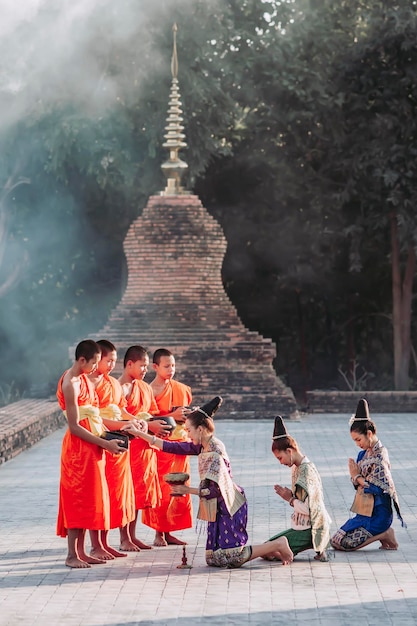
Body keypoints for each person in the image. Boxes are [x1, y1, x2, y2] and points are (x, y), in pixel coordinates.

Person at [123, 396, 293, 568]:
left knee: (233, 557)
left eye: (189, 430)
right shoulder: (203, 445)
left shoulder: (214, 451)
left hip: (230, 504)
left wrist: (187, 490)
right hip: (218, 506)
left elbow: (214, 491)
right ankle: (267, 550)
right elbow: (171, 446)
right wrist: (139, 434)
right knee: (214, 559)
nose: (187, 434)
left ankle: (277, 544)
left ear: (201, 429)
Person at [56, 339, 128, 569]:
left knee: (90, 498)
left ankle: (82, 551)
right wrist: (105, 444)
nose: (97, 367)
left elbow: (94, 416)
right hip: (78, 449)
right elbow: (74, 426)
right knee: (76, 498)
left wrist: (109, 437)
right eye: (94, 362)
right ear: (81, 360)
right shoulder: (71, 383)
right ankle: (71, 555)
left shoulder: (85, 379)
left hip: (93, 443)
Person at [88, 339, 147, 557]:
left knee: (116, 495)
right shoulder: (88, 384)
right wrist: (125, 424)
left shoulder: (111, 383)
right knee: (99, 495)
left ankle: (106, 542)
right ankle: (96, 545)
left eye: (114, 360)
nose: (112, 365)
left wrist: (136, 421)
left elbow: (120, 409)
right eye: (108, 360)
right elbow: (96, 418)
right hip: (100, 442)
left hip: (118, 445)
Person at [331, 398, 406, 552]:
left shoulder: (380, 455)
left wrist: (357, 477)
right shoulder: (361, 455)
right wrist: (355, 478)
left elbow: (380, 489)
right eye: (354, 441)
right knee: (335, 541)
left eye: (358, 439)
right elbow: (358, 485)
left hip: (379, 514)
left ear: (369, 433)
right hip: (364, 512)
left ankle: (385, 532)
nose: (358, 444)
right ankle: (382, 535)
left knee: (346, 544)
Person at [118, 345, 171, 550]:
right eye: (142, 366)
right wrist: (148, 425)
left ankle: (131, 535)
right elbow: (117, 417)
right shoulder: (117, 387)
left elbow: (151, 413)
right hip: (127, 446)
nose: (145, 371)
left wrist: (157, 427)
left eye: (147, 367)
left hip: (145, 447)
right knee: (125, 493)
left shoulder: (144, 388)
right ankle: (123, 537)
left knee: (139, 493)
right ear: (129, 364)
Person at [143, 348, 193, 547]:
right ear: (155, 367)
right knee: (162, 490)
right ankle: (159, 533)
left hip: (180, 445)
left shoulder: (182, 389)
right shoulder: (148, 391)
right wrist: (172, 416)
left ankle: (170, 531)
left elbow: (186, 416)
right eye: (166, 366)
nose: (171, 369)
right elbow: (146, 419)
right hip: (160, 445)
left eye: (173, 365)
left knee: (178, 489)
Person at [264, 416, 331, 562]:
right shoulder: (299, 467)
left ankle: (311, 543)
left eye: (280, 458)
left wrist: (289, 499)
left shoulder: (305, 472)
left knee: (268, 551)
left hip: (311, 528)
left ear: (289, 451)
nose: (280, 462)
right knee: (267, 548)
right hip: (305, 525)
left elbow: (309, 509)